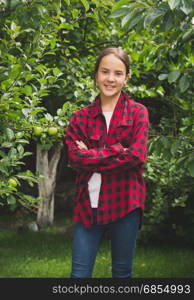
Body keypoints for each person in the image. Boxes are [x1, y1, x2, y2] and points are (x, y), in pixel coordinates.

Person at [65, 47, 149, 278]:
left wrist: (91, 154)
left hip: (125, 203)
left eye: (118, 73)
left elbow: (135, 156)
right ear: (96, 75)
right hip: (87, 206)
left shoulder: (138, 113)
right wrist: (116, 150)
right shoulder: (79, 117)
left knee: (122, 273)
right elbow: (75, 158)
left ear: (126, 78)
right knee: (79, 275)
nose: (110, 79)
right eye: (105, 71)